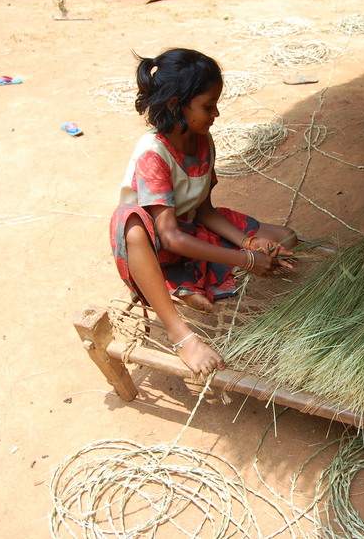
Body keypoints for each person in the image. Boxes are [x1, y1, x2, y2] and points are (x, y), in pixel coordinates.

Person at [110, 48, 296, 377]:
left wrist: (248, 244)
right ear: (175, 105)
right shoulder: (153, 154)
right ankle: (180, 333)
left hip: (191, 229)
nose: (217, 114)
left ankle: (186, 285)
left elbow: (205, 210)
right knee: (131, 225)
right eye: (208, 106)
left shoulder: (202, 139)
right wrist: (246, 260)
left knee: (285, 237)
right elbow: (168, 237)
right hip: (158, 248)